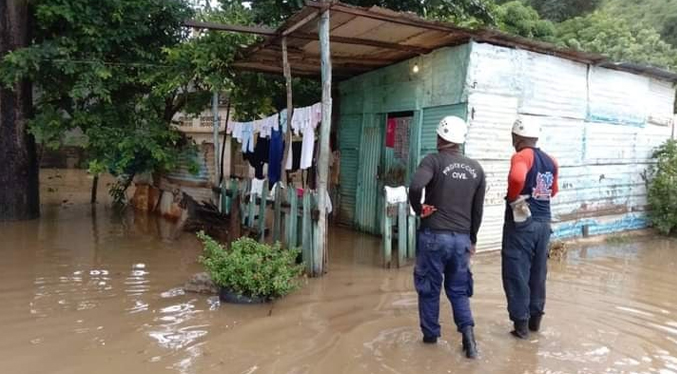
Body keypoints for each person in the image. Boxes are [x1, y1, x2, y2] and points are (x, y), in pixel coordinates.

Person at [409, 115, 486, 359]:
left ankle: (431, 339)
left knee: (430, 289)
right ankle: (469, 340)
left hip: (434, 236)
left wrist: (418, 209)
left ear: (440, 137)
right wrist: (472, 239)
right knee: (459, 290)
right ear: (460, 140)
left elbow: (415, 187)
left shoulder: (433, 160)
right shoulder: (476, 169)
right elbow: (477, 210)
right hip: (461, 240)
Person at [502, 116, 559, 339]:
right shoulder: (551, 160)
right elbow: (553, 191)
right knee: (538, 272)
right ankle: (535, 322)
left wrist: (514, 197)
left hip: (523, 223)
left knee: (516, 271)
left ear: (517, 137)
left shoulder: (522, 155)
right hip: (544, 222)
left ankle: (521, 327)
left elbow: (517, 177)